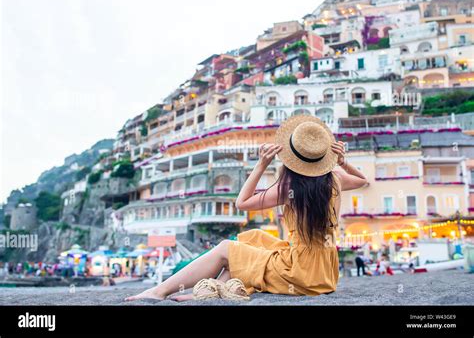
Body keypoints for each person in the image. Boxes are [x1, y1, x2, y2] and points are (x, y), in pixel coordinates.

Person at [125, 115, 368, 302]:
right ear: (322, 156)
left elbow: (242, 203)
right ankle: (216, 290)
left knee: (226, 249)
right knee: (253, 237)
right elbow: (362, 181)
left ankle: (159, 291)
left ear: (293, 158)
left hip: (299, 273)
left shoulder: (288, 189)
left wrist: (261, 165)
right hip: (324, 274)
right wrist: (344, 163)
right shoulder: (335, 178)